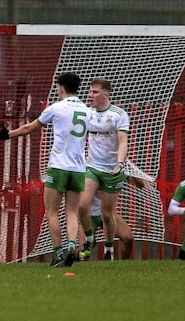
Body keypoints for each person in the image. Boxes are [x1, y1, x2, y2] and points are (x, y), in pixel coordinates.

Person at [0, 72, 90, 267]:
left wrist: (7, 135)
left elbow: (30, 127)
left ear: (61, 87)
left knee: (52, 211)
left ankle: (57, 254)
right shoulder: (87, 111)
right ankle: (72, 244)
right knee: (72, 211)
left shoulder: (56, 108)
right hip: (79, 168)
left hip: (59, 167)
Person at [76, 78, 130, 261]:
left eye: (95, 92)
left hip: (112, 169)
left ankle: (109, 250)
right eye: (90, 91)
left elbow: (123, 142)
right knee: (82, 205)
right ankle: (90, 239)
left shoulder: (118, 114)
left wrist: (120, 163)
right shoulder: (87, 113)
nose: (91, 95)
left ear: (106, 95)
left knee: (107, 214)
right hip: (93, 166)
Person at [78, 191, 135, 261]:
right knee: (82, 251)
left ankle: (123, 264)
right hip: (89, 216)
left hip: (107, 213)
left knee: (128, 238)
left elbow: (141, 184)